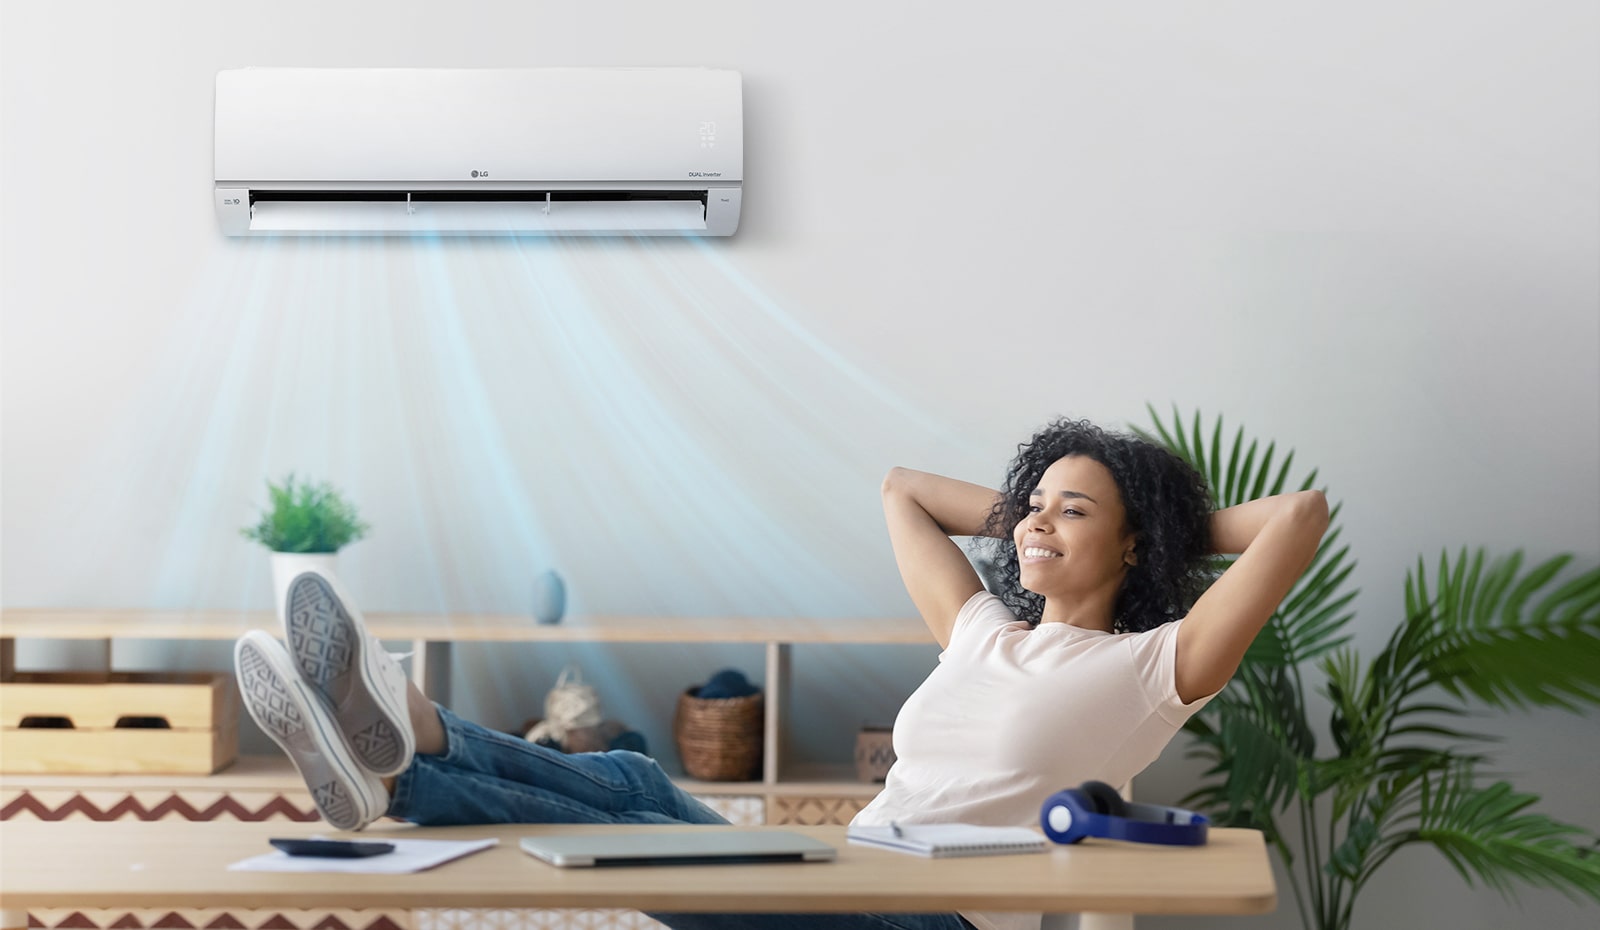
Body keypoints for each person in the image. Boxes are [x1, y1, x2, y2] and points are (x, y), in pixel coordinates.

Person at [235, 417, 1329, 930]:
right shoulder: (983, 631)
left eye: (1071, 511)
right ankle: (409, 742)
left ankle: (407, 745)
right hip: (848, 873)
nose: (1036, 521)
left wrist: (1157, 514)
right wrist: (1042, 516)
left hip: (928, 929)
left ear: (1135, 547)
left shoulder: (1150, 666)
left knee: (654, 839)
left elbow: (1297, 516)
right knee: (644, 790)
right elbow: (899, 486)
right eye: (1029, 505)